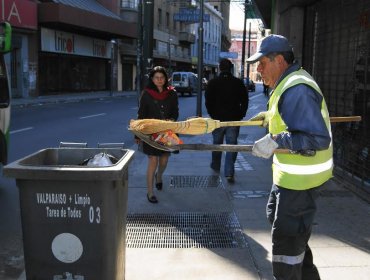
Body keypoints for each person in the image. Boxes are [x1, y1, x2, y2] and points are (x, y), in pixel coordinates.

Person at [247, 34, 333, 280]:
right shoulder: (288, 83)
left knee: (287, 249)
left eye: (262, 63)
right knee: (282, 226)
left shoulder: (296, 88)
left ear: (280, 61)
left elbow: (316, 139)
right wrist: (270, 118)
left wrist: (276, 140)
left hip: (300, 183)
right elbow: (291, 119)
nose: (259, 70)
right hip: (289, 180)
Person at [135, 66, 179, 203]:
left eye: (162, 77)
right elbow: (141, 115)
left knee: (164, 160)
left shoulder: (172, 93)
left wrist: (171, 120)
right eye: (156, 78)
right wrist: (137, 135)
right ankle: (150, 192)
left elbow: (175, 112)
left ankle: (159, 176)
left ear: (166, 79)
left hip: (167, 132)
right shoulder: (146, 94)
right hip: (151, 132)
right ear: (152, 79)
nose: (159, 80)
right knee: (153, 160)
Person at [205, 58, 248, 183]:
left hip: (217, 119)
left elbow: (208, 100)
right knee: (231, 145)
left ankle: (215, 165)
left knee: (217, 144)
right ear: (231, 68)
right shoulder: (237, 83)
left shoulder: (213, 83)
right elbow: (244, 100)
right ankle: (229, 172)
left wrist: (212, 113)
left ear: (220, 68)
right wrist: (241, 114)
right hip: (233, 120)